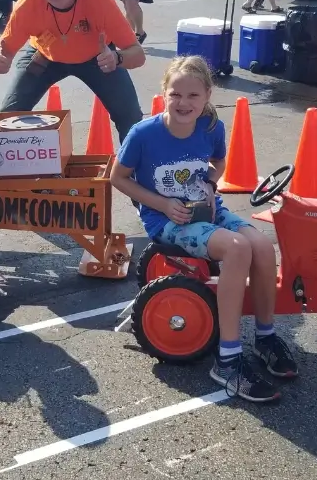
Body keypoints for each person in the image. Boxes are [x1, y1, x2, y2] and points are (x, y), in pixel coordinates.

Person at [110, 56, 298, 402]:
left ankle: (265, 337)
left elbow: (219, 162)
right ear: (164, 93)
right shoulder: (144, 134)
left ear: (208, 95)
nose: (184, 103)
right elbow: (117, 178)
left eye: (193, 96)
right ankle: (227, 360)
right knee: (238, 249)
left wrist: (211, 184)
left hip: (208, 211)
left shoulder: (211, 128)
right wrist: (162, 204)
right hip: (166, 221)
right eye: (176, 94)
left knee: (262, 246)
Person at [0, 0, 146, 145]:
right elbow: (2, 49)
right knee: (7, 117)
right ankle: (10, 172)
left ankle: (130, 171)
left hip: (97, 58)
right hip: (45, 55)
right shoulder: (28, 4)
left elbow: (138, 54)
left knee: (131, 117)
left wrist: (117, 58)